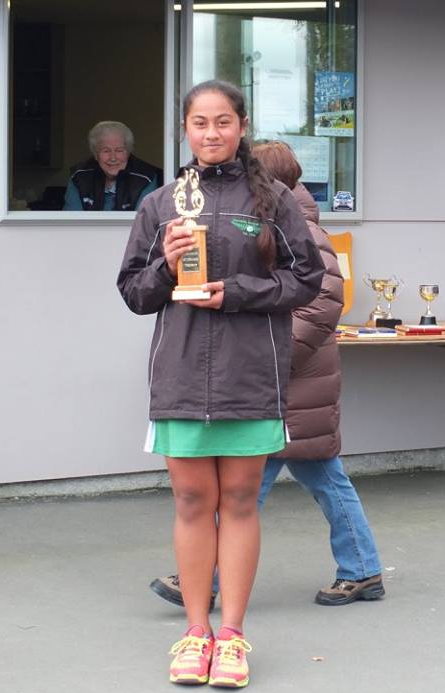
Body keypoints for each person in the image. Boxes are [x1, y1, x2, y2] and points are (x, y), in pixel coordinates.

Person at [117, 80, 324, 689]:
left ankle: (231, 635)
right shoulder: (159, 204)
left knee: (238, 503)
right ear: (185, 128)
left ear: (241, 127)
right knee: (190, 503)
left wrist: (234, 294)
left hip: (249, 375)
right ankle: (195, 630)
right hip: (180, 375)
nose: (212, 133)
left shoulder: (274, 200)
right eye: (200, 123)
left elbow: (306, 279)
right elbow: (134, 292)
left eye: (224, 122)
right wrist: (166, 263)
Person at [149, 140, 384, 612]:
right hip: (283, 383)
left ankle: (209, 580)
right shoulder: (271, 220)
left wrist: (271, 356)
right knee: (313, 477)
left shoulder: (294, 226)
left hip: (287, 380)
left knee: (251, 491)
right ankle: (362, 568)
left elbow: (322, 304)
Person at [64, 121, 160, 211]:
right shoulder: (80, 177)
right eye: (106, 151)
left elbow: (142, 223)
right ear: (95, 154)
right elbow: (70, 222)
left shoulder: (145, 178)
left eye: (119, 150)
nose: (113, 158)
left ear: (128, 152)